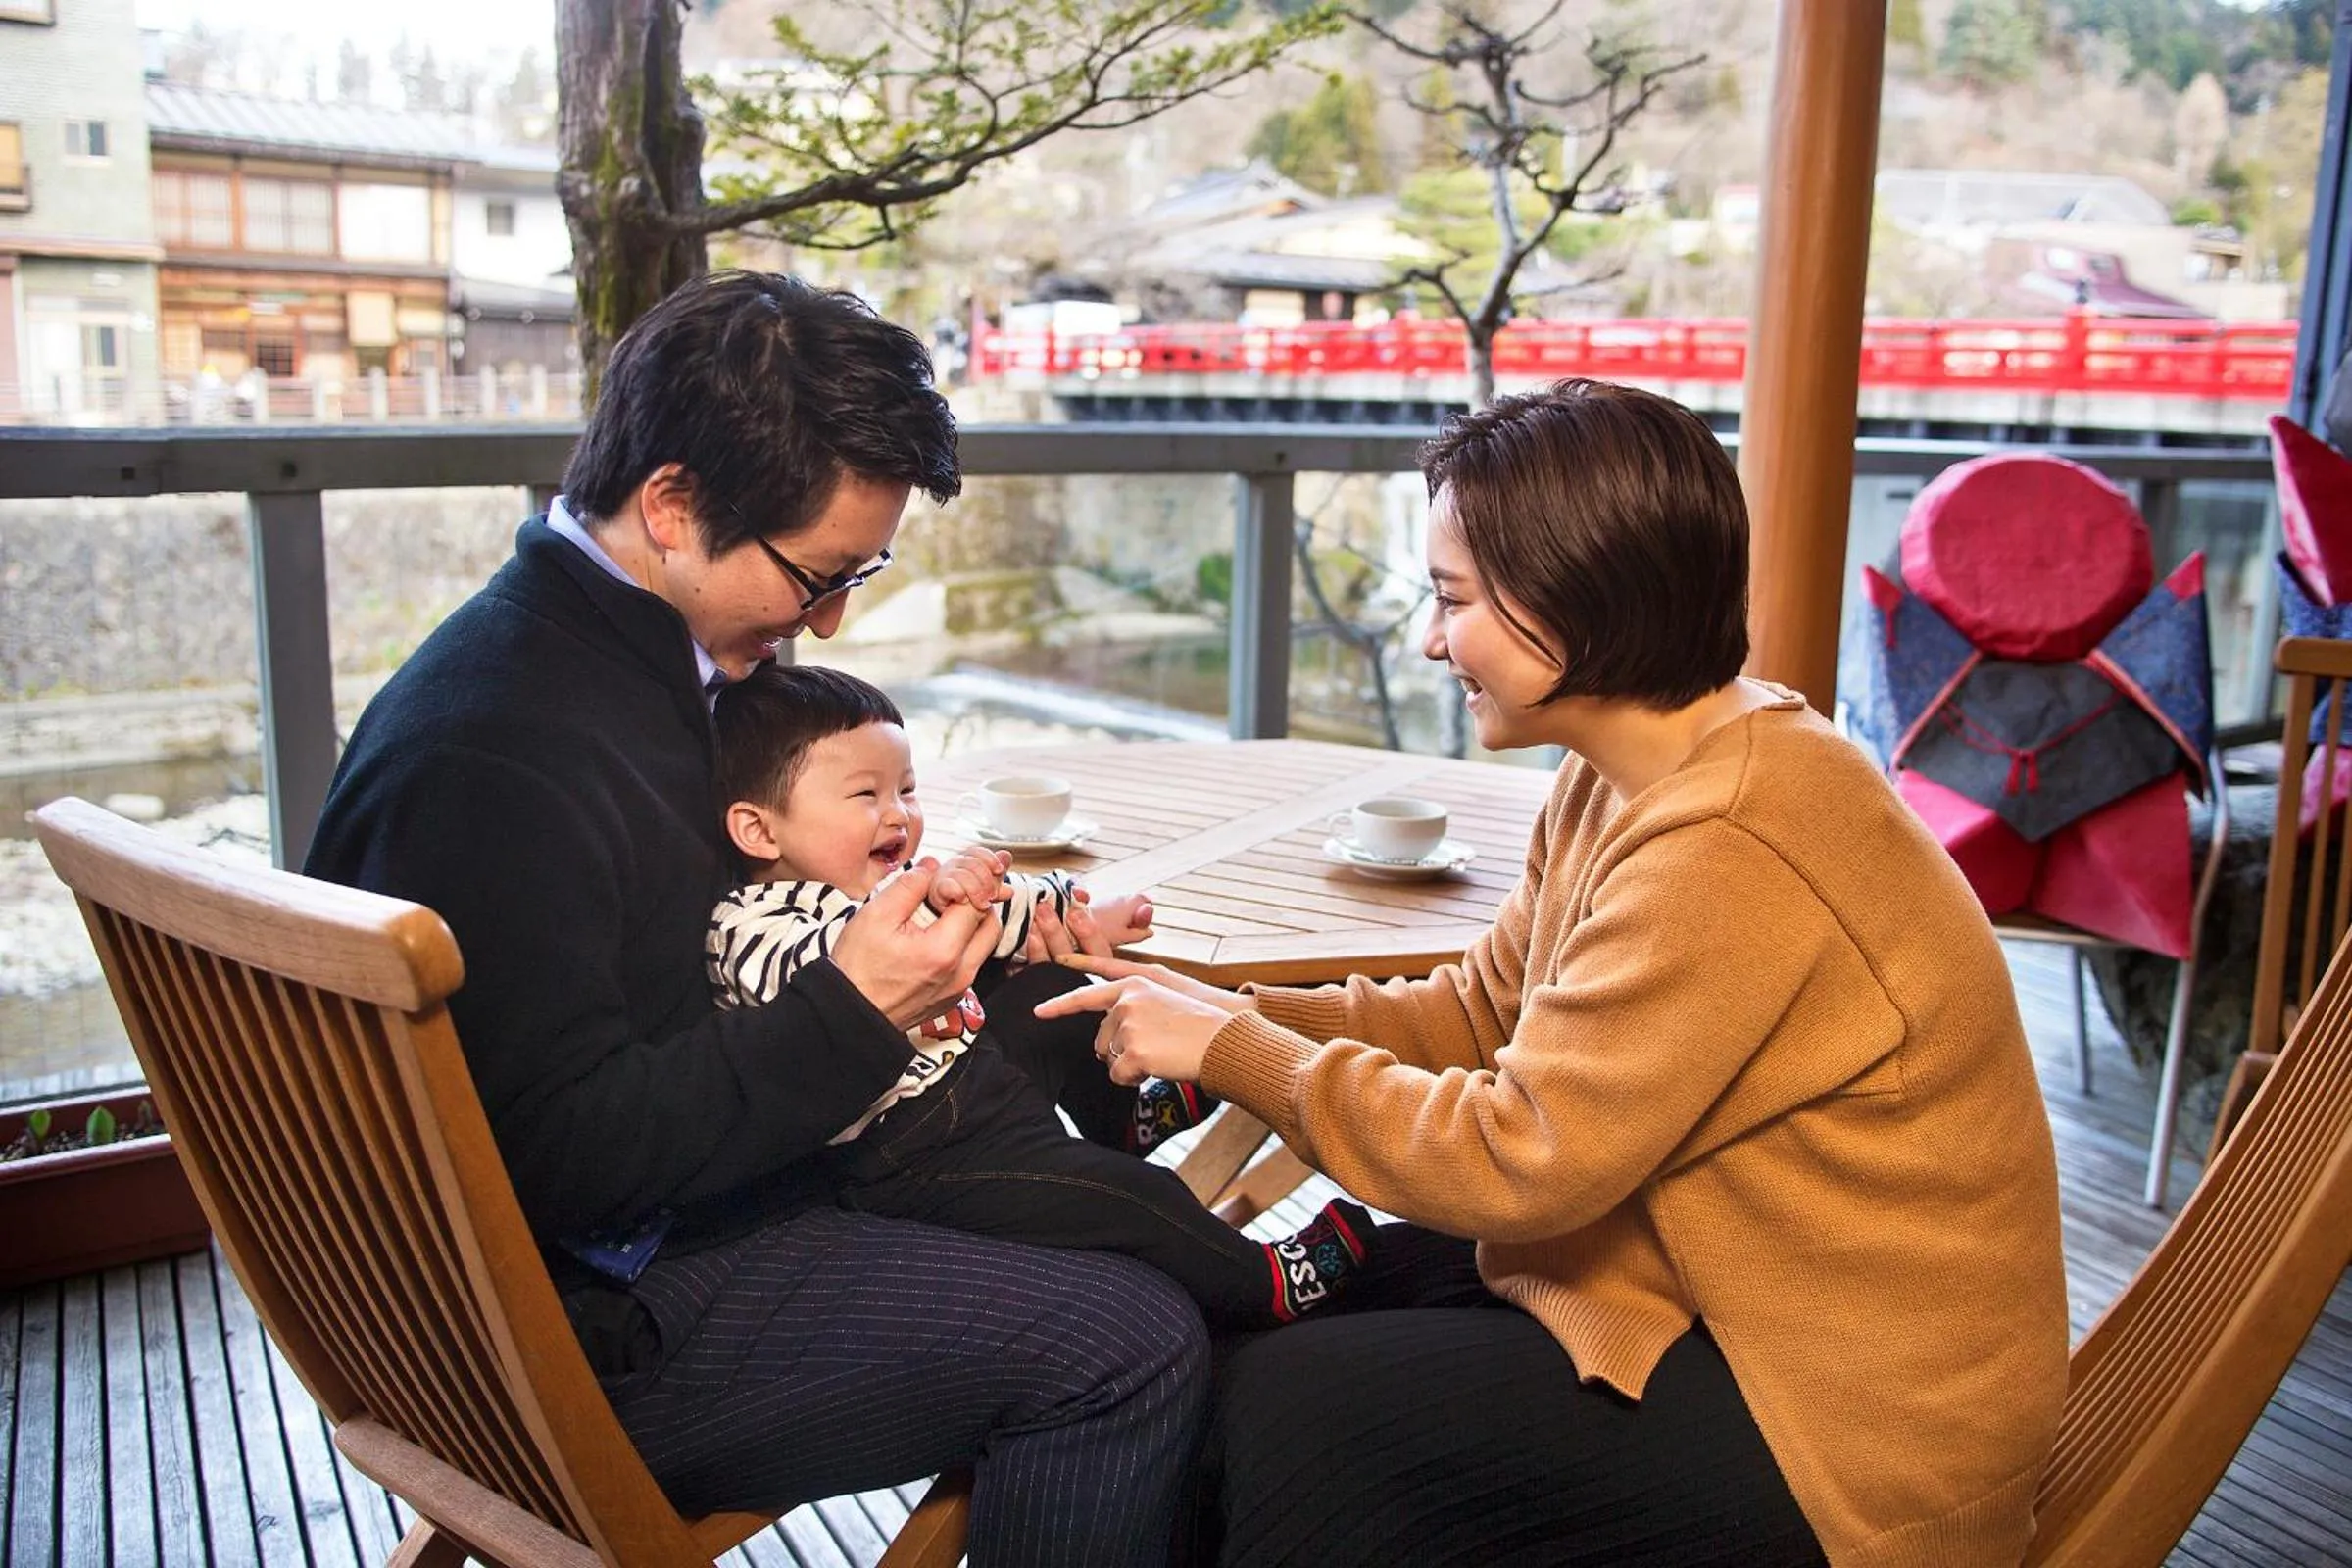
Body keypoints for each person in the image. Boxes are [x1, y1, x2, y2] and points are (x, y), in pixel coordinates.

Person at [1039, 378, 2072, 1567]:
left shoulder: (1732, 845)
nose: (1432, 640)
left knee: (1298, 1415)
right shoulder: (1633, 772)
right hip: (1702, 1300)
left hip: (1850, 1427)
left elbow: (1519, 1158)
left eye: (1453, 600)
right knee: (1275, 1300)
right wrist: (1231, 1013)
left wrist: (1231, 1052)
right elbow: (1483, 1013)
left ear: (1573, 596)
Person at [303, 270, 1207, 1567]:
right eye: (815, 574)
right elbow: (572, 1152)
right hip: (581, 1333)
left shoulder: (570, 668)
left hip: (520, 1283)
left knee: (1044, 1138)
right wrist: (854, 1011)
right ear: (671, 507)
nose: (828, 618)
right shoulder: (502, 759)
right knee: (1129, 1340)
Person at [706, 662, 1376, 1325]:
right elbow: (805, 978)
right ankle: (1264, 1284)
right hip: (907, 1153)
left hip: (971, 1086)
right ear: (759, 830)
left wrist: (1084, 911)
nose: (899, 815)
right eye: (865, 796)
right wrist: (910, 906)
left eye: (907, 789)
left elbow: (1010, 910)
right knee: (1127, 1195)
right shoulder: (749, 922)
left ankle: (1127, 1120)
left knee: (1054, 990)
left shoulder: (884, 883)